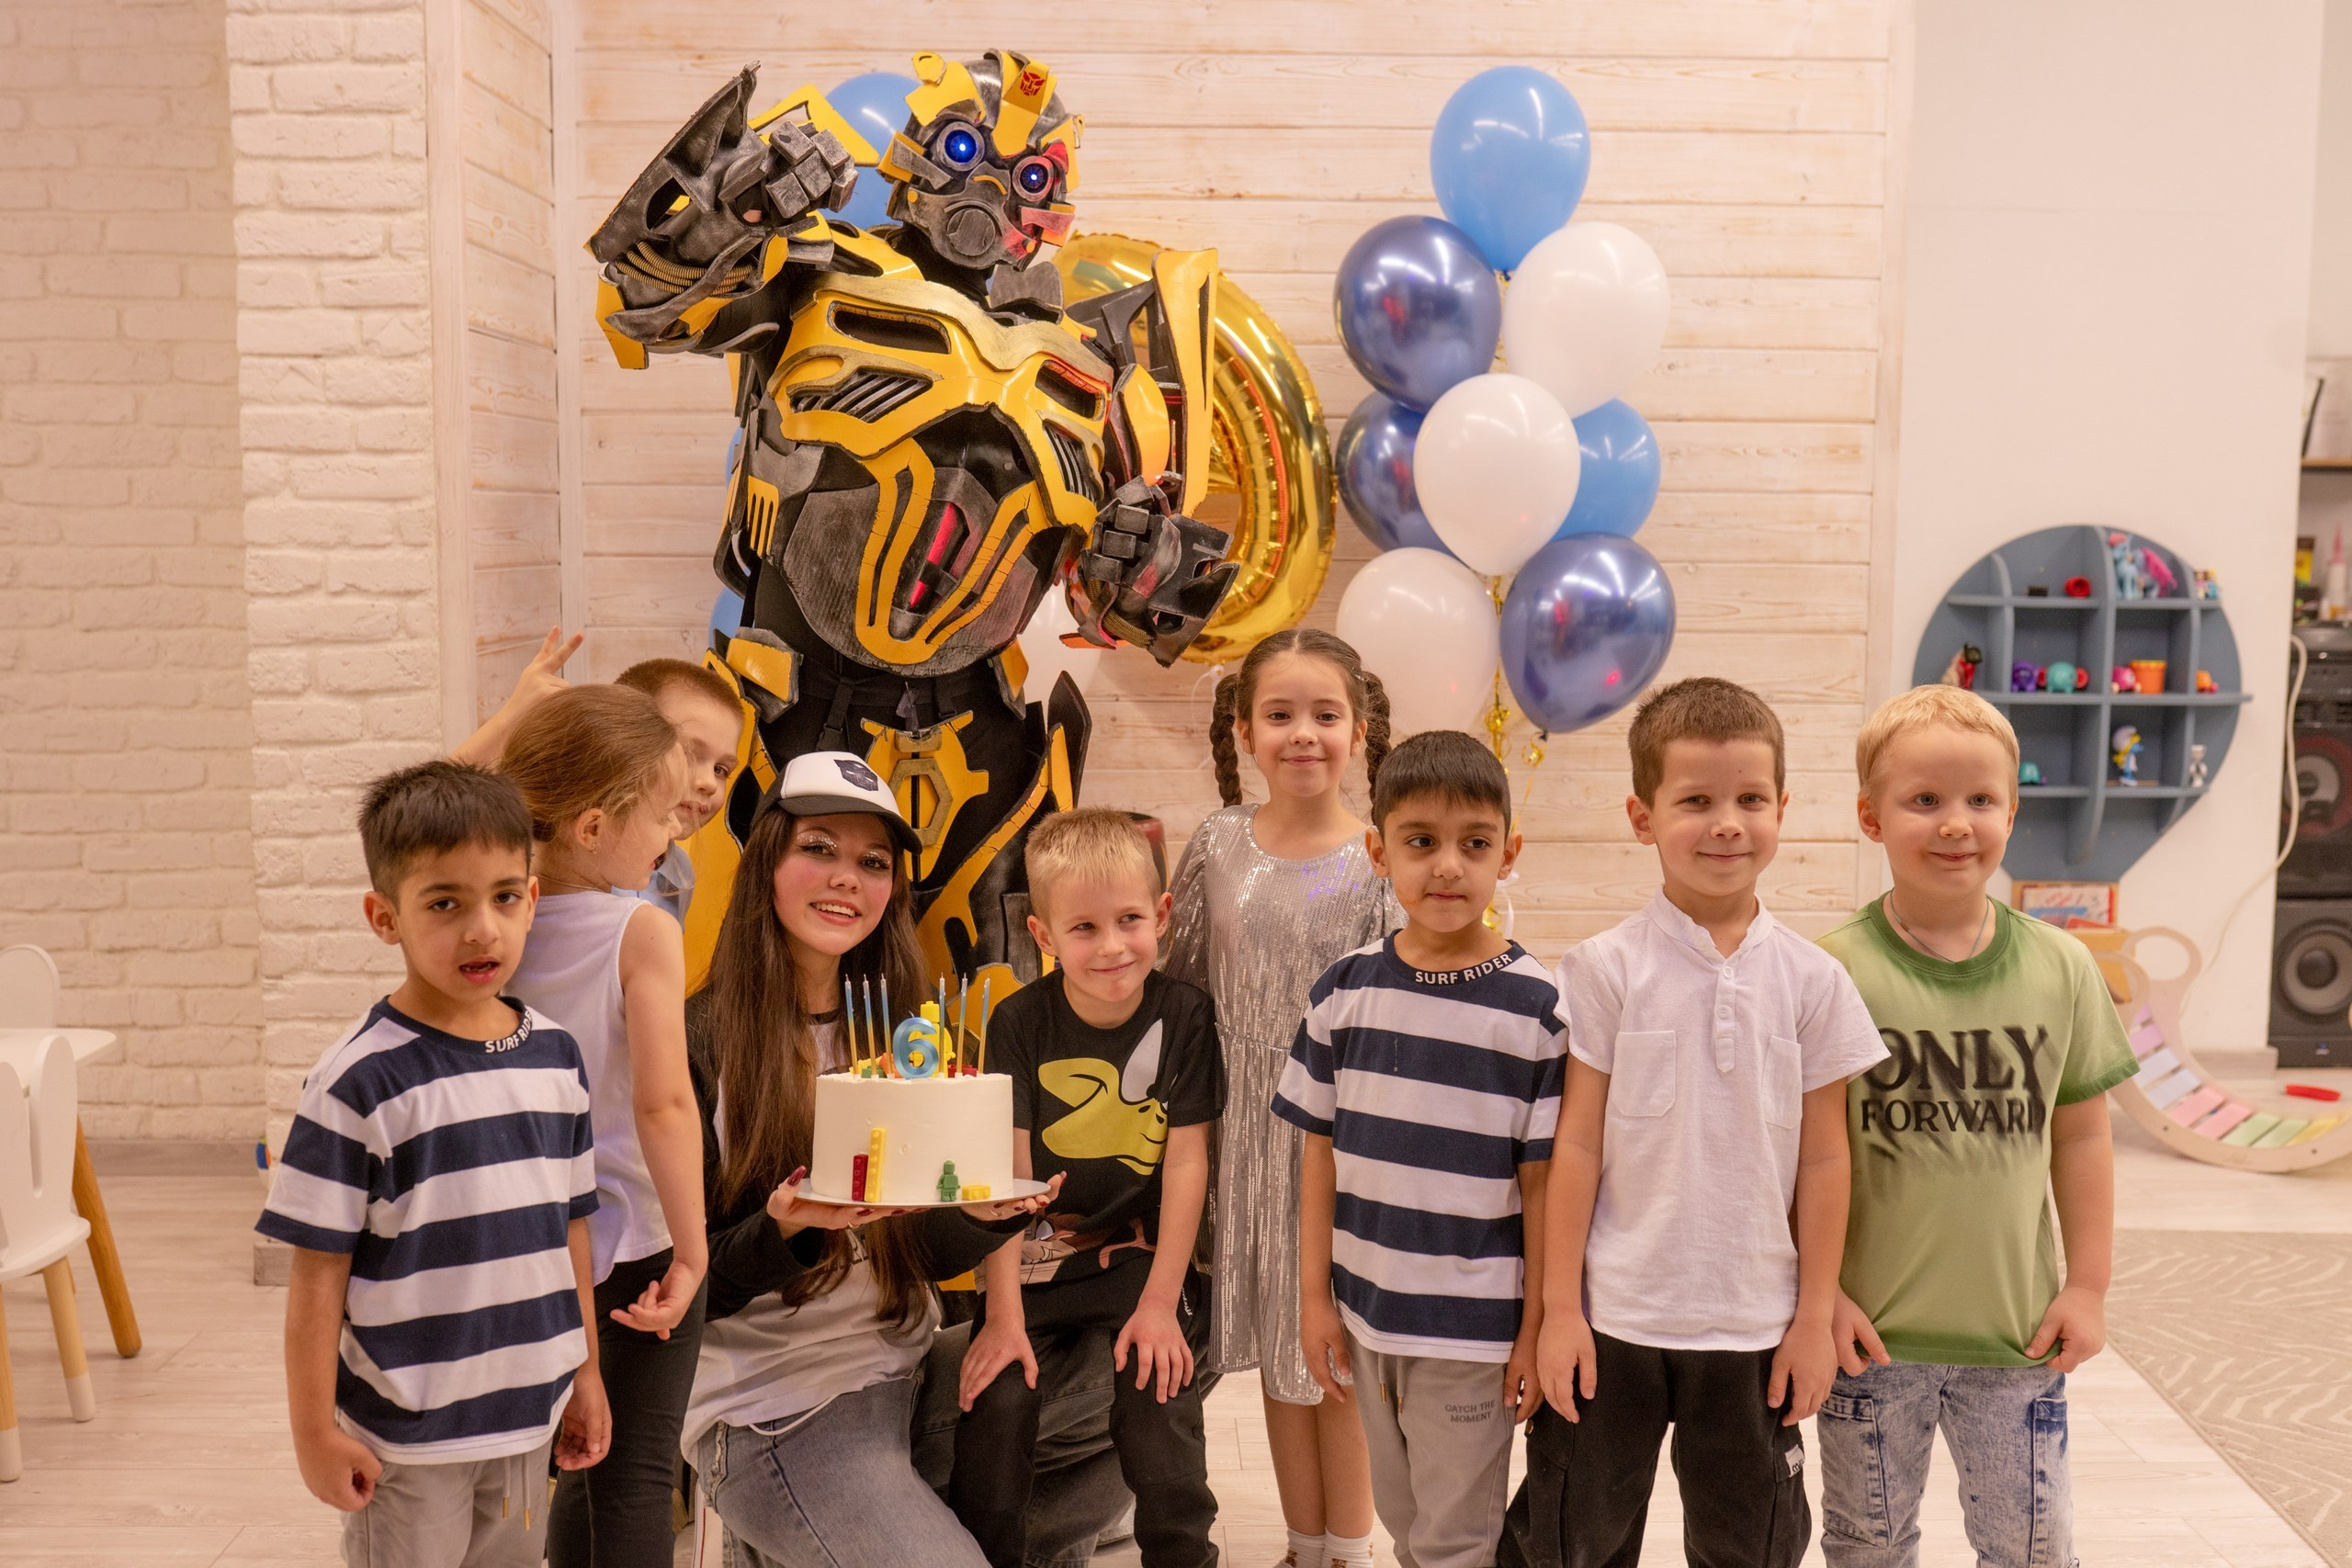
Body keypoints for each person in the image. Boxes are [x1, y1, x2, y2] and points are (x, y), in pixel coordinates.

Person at [1501, 677, 1888, 1568]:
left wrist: (1811, 1314)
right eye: (1695, 801)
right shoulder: (1602, 970)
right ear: (1642, 818)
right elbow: (1578, 1147)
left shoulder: (1812, 979)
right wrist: (1559, 1311)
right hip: (1613, 1321)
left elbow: (1826, 1163)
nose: (1726, 823)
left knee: (1748, 1547)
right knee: (1572, 1541)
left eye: (1750, 799)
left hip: (1754, 1327)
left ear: (1782, 809)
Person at [683, 750, 1059, 1568]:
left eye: (873, 862)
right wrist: (783, 1233)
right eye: (819, 847)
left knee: (1112, 1382)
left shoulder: (904, 1042)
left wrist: (980, 1220)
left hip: (907, 1367)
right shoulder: (700, 1042)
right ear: (768, 863)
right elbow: (676, 1291)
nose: (847, 877)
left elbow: (907, 1253)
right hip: (779, 1404)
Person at [1814, 684, 2137, 1567]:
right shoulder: (1830, 970)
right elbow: (1801, 1153)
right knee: (1868, 1545)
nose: (1956, 823)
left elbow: (2080, 1137)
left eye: (1980, 800)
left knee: (2032, 1546)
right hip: (1867, 1344)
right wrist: (1818, 1297)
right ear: (1870, 817)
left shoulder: (2062, 966)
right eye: (1925, 800)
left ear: (2011, 809)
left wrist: (2089, 1287)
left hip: (2017, 1338)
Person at [258, 760, 608, 1566]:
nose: (481, 928)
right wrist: (314, 1430)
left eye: (504, 896)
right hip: (408, 1440)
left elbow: (571, 1235)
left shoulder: (556, 1057)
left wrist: (584, 1373)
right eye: (445, 902)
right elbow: (318, 1278)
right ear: (385, 917)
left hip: (526, 1419)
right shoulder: (357, 1082)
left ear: (533, 897)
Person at [1275, 729, 1564, 1568]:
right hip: (1367, 1316)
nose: (1447, 866)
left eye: (1474, 844)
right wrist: (1314, 1297)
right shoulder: (1344, 989)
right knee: (1403, 1521)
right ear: (1378, 851)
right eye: (1421, 842)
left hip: (1471, 1329)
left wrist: (1535, 1326)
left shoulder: (1538, 1006)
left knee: (1454, 1539)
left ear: (1507, 853)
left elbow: (1542, 1185)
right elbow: (1319, 1153)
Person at [1164, 627, 1396, 1568]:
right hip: (1235, 1134)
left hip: (1337, 1143)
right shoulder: (1217, 843)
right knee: (1272, 1350)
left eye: (1325, 715)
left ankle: (1354, 1547)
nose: (1304, 733)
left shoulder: (1381, 858)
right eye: (1280, 715)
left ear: (1361, 729)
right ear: (1244, 729)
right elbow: (1179, 981)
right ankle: (1303, 1545)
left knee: (1331, 1361)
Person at [953, 808, 1227, 1568]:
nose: (1111, 947)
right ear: (1043, 936)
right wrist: (1000, 1316)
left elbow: (1185, 1162)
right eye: (1083, 928)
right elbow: (1001, 1178)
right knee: (996, 1405)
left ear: (1162, 916)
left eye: (1130, 919)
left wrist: (1163, 1302)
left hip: (1136, 1262)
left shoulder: (1184, 1014)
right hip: (1034, 1264)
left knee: (1157, 1392)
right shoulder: (1016, 1021)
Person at [501, 685, 708, 1568]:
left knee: (576, 1457)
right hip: (634, 1237)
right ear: (592, 826)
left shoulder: (496, 923)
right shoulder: (641, 928)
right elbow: (664, 1103)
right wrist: (694, 1252)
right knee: (631, 1472)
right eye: (661, 815)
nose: (670, 835)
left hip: (532, 1242)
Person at [612, 657, 746, 926]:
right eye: (688, 754)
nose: (708, 782)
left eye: (721, 770)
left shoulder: (681, 875)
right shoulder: (570, 857)